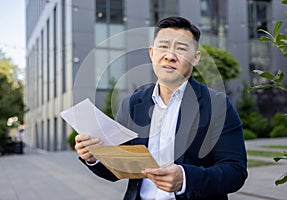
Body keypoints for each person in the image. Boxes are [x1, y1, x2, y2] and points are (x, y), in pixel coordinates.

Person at [75, 16, 248, 200]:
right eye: (163, 47)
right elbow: (118, 167)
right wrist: (94, 158)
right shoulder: (132, 104)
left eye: (181, 49)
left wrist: (186, 178)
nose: (170, 56)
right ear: (151, 53)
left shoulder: (217, 105)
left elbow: (235, 171)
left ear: (196, 58)